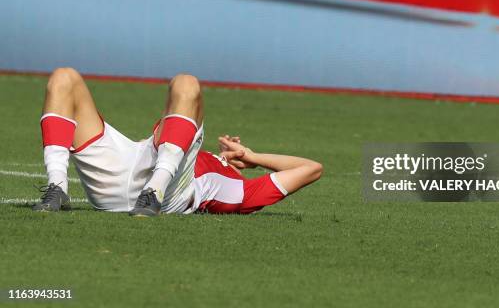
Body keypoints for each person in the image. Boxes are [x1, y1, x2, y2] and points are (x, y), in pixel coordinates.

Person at [33, 67, 323, 217]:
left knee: (186, 82)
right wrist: (243, 157)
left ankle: (154, 192)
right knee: (63, 78)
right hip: (128, 168)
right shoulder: (197, 155)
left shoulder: (237, 193)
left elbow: (311, 168)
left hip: (169, 194)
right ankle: (57, 189)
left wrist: (255, 157)